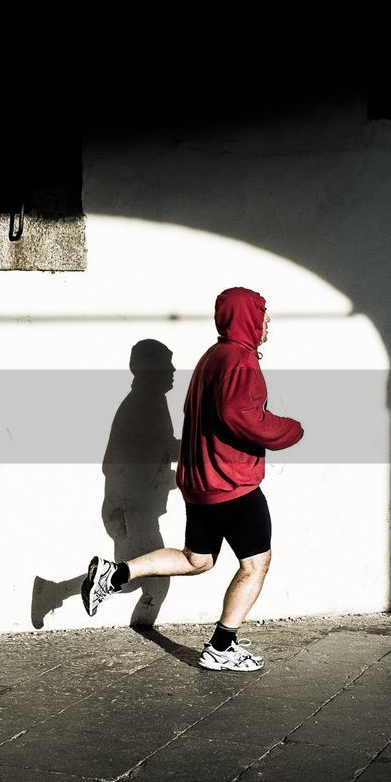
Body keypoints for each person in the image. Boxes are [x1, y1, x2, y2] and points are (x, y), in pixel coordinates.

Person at [81, 287, 303, 672]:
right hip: (232, 485)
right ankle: (221, 646)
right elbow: (242, 416)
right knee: (256, 565)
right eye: (263, 313)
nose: (268, 321)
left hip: (201, 484)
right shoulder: (239, 361)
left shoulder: (213, 357)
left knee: (196, 559)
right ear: (248, 317)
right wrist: (289, 429)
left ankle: (114, 573)